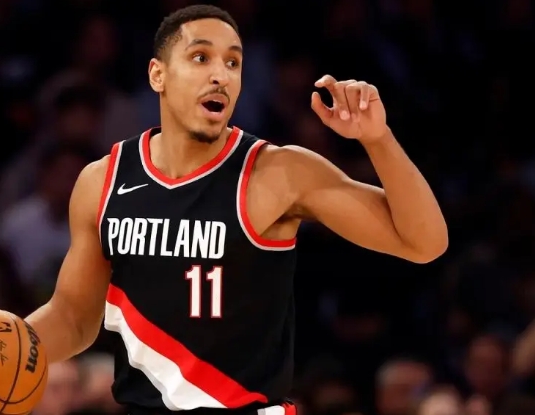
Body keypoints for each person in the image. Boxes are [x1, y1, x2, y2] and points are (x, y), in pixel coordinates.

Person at [26, 4, 448, 415]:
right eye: (200, 57)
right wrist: (5, 345)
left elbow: (424, 242)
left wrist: (377, 139)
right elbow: (73, 317)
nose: (220, 75)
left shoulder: (278, 172)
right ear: (158, 75)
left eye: (233, 63)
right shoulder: (103, 180)